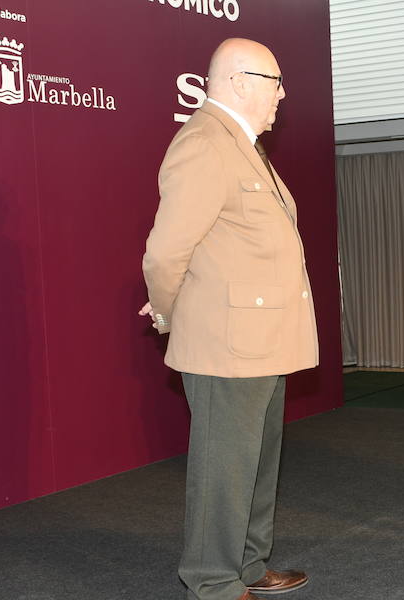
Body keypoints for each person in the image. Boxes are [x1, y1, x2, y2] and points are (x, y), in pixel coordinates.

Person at [138, 38, 318, 600]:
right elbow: (166, 252)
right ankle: (214, 580)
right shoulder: (204, 142)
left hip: (261, 340)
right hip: (226, 343)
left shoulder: (241, 144)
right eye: (276, 82)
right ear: (240, 81)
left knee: (258, 467)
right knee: (224, 472)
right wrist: (170, 310)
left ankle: (246, 564)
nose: (284, 94)